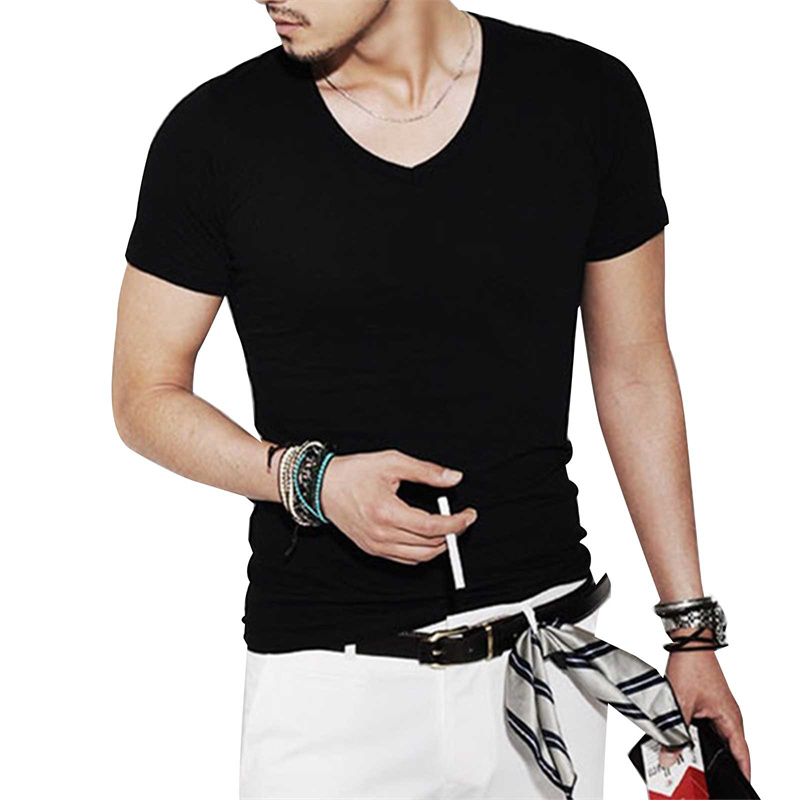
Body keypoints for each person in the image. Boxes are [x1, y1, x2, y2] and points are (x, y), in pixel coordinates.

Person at [112, 2, 750, 798]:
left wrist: (691, 632)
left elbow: (635, 371)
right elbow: (144, 393)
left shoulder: (585, 96)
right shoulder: (216, 134)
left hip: (546, 660)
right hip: (331, 685)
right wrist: (312, 482)